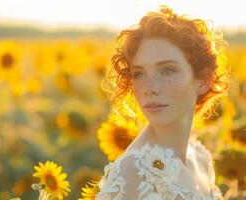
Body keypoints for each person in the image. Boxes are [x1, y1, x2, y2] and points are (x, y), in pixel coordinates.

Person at [96, 4, 231, 200]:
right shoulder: (132, 174)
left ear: (203, 80)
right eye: (139, 74)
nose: (151, 87)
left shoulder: (201, 158)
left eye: (167, 70)